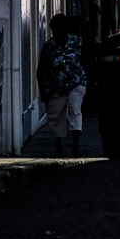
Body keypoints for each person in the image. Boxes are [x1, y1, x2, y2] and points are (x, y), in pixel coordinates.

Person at [40, 13, 87, 157]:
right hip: (56, 85)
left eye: (56, 28)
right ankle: (59, 147)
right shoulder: (49, 46)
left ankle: (75, 146)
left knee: (75, 111)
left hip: (75, 82)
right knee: (56, 115)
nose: (54, 32)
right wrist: (43, 90)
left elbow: (85, 61)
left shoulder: (77, 42)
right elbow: (41, 69)